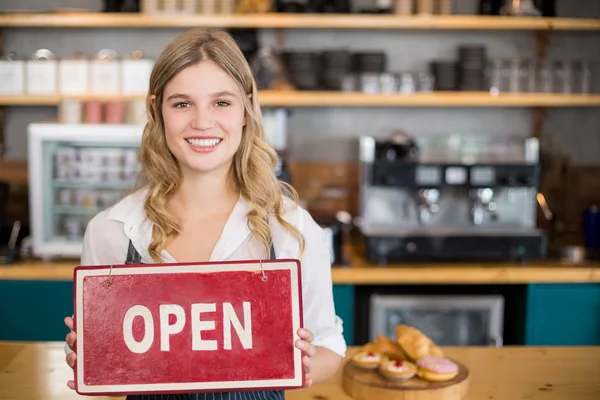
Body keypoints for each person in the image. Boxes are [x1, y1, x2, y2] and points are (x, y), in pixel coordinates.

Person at [62, 28, 346, 399]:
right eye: (182, 103)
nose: (202, 122)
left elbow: (330, 345)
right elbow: (106, 382)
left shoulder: (289, 228)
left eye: (221, 103)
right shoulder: (113, 231)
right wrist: (93, 361)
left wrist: (304, 362)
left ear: (246, 110)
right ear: (156, 110)